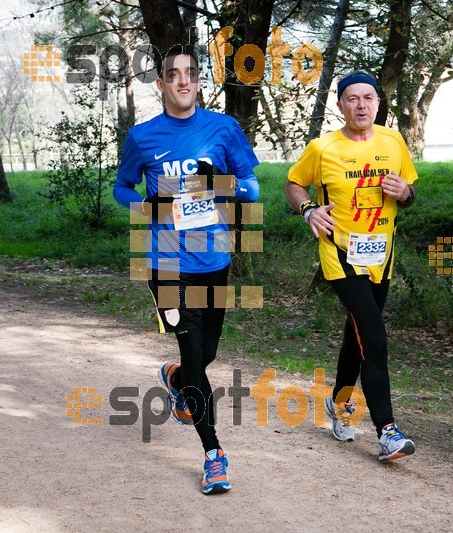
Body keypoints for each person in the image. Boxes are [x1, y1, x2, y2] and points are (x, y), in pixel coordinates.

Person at [113, 45, 260, 494]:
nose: (182, 81)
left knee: (206, 352)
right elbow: (121, 187)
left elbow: (252, 189)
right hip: (166, 262)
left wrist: (220, 183)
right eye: (173, 75)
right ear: (160, 84)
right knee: (196, 355)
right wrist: (145, 206)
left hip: (214, 257)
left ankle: (177, 379)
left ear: (199, 82)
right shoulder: (143, 137)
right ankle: (214, 454)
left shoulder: (224, 128)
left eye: (191, 74)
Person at [284, 70, 418, 462]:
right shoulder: (322, 148)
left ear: (378, 103)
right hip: (340, 254)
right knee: (374, 340)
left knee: (355, 334)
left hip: (380, 255)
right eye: (352, 99)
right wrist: (309, 210)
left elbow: (410, 192)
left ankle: (340, 405)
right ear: (340, 105)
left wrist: (405, 192)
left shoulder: (393, 141)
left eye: (368, 98)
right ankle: (388, 432)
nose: (361, 105)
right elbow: (294, 183)